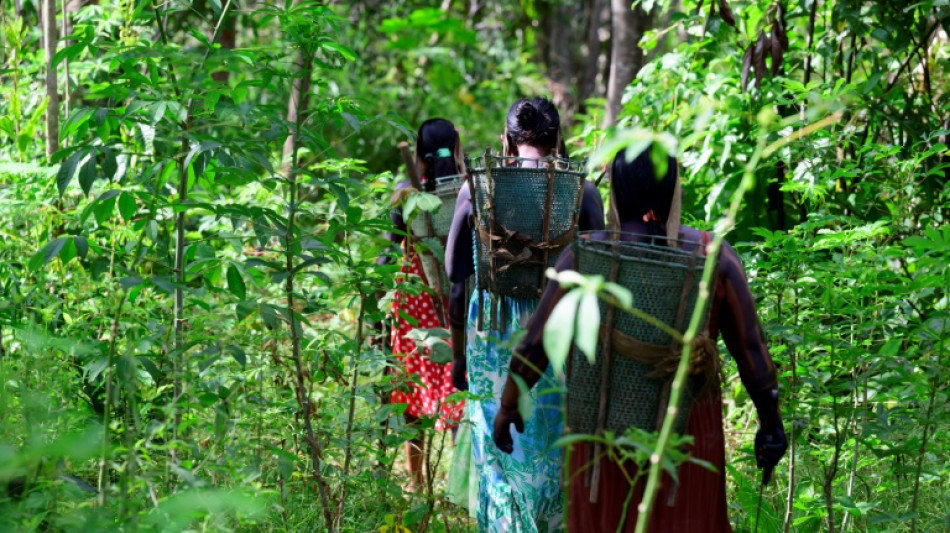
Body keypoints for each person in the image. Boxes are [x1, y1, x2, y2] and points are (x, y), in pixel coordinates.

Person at [492, 146, 788, 532]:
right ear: (673, 190)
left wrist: (509, 405)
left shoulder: (582, 257)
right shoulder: (714, 256)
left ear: (615, 191)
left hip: (601, 433)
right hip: (685, 436)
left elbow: (535, 345)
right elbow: (752, 351)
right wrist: (771, 425)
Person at [445, 97, 605, 532]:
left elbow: (456, 277)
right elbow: (598, 275)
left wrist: (459, 355)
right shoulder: (582, 190)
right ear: (557, 140)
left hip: (492, 333)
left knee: (499, 453)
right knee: (553, 452)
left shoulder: (477, 188)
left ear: (508, 142)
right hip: (557, 333)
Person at [378, 118, 464, 491]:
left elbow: (389, 246)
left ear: (418, 154)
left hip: (414, 300)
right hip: (458, 298)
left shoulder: (404, 191)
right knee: (459, 387)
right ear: (457, 148)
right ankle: (463, 483)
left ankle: (416, 481)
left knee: (413, 389)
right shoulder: (469, 188)